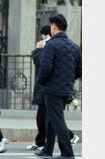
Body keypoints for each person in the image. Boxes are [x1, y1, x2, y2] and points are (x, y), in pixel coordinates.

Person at [34, 14, 82, 159]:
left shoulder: (51, 45)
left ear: (54, 27)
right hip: (65, 88)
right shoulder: (74, 46)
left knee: (57, 119)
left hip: (52, 89)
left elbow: (45, 68)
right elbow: (79, 69)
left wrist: (40, 81)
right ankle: (47, 150)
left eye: (51, 27)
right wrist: (67, 80)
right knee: (51, 117)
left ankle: (67, 153)